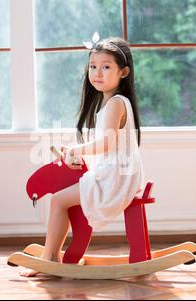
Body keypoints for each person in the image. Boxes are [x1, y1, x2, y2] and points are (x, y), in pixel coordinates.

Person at [20, 33, 144, 277]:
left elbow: (106, 144)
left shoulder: (116, 103)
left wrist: (76, 150)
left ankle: (49, 257)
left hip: (114, 180)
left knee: (57, 200)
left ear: (124, 72)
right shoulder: (114, 103)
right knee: (62, 197)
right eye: (93, 67)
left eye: (106, 67)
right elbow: (109, 147)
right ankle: (54, 255)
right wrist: (82, 158)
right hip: (116, 173)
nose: (97, 73)